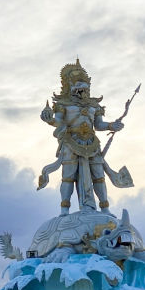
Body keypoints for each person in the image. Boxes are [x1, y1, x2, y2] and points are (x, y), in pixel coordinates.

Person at [36, 60, 133, 214]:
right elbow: (59, 122)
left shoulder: (94, 105)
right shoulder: (63, 103)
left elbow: (98, 125)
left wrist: (111, 126)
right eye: (77, 84)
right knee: (68, 176)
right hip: (71, 142)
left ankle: (105, 208)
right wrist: (50, 120)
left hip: (92, 143)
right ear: (69, 85)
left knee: (99, 176)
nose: (82, 88)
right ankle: (64, 210)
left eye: (84, 84)